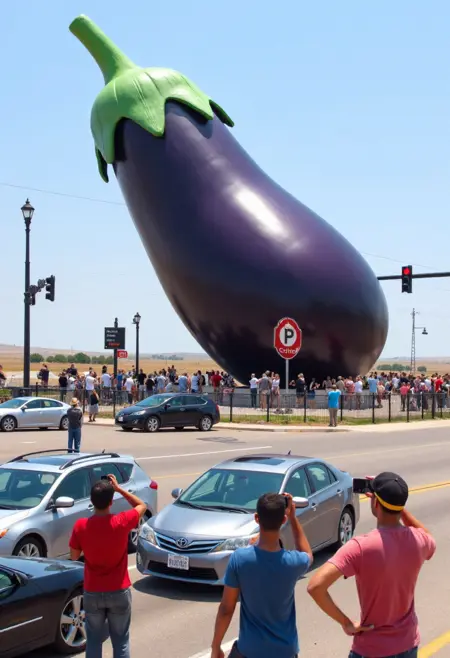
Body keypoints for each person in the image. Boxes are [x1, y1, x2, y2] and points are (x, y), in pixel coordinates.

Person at [307, 472, 436, 658]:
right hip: (408, 645)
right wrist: (398, 507)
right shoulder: (419, 540)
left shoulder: (361, 546)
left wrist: (346, 623)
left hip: (371, 649)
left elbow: (315, 586)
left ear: (375, 503)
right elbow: (429, 537)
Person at [210, 492, 313, 658]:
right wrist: (293, 517)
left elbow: (226, 609)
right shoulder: (293, 562)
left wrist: (216, 646)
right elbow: (307, 554)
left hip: (249, 651)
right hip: (285, 652)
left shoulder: (240, 559)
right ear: (283, 520)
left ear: (257, 518)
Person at [70, 474, 147, 658]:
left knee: (93, 641)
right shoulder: (121, 521)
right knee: (121, 642)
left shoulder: (81, 526)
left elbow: (74, 557)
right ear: (111, 501)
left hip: (93, 591)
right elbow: (141, 506)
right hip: (119, 590)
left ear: (91, 501)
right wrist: (119, 489)